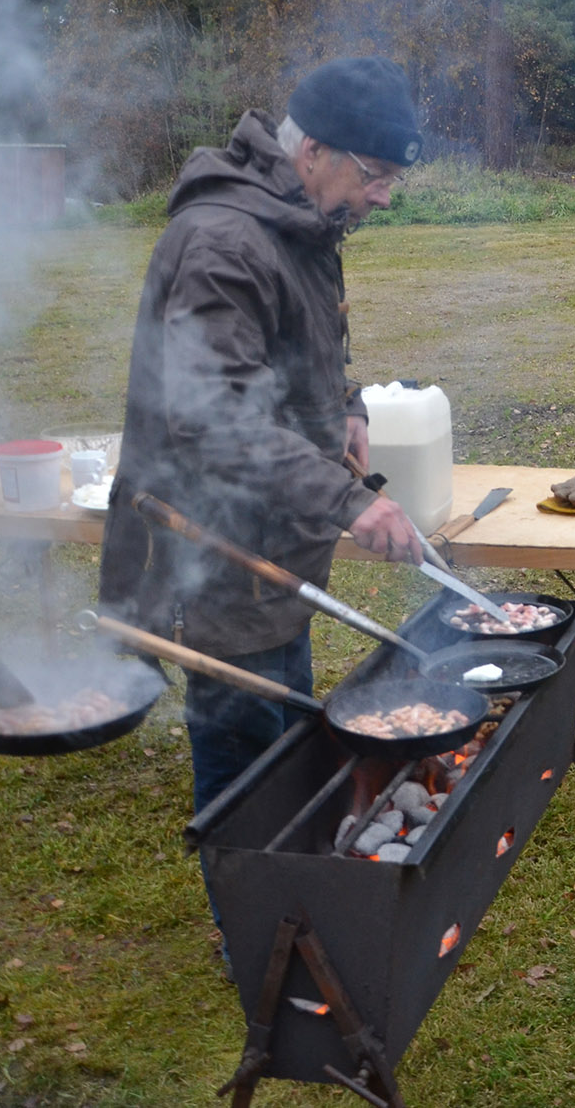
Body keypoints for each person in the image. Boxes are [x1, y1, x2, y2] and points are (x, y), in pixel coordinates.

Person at [100, 56, 429, 818]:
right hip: (214, 547)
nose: (381, 196)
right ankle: (253, 925)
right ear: (311, 150)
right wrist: (348, 502)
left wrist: (348, 402)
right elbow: (213, 415)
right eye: (373, 174)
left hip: (277, 538)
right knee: (244, 762)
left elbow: (299, 343)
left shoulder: (303, 221)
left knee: (286, 734)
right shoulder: (225, 241)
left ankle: (298, 903)